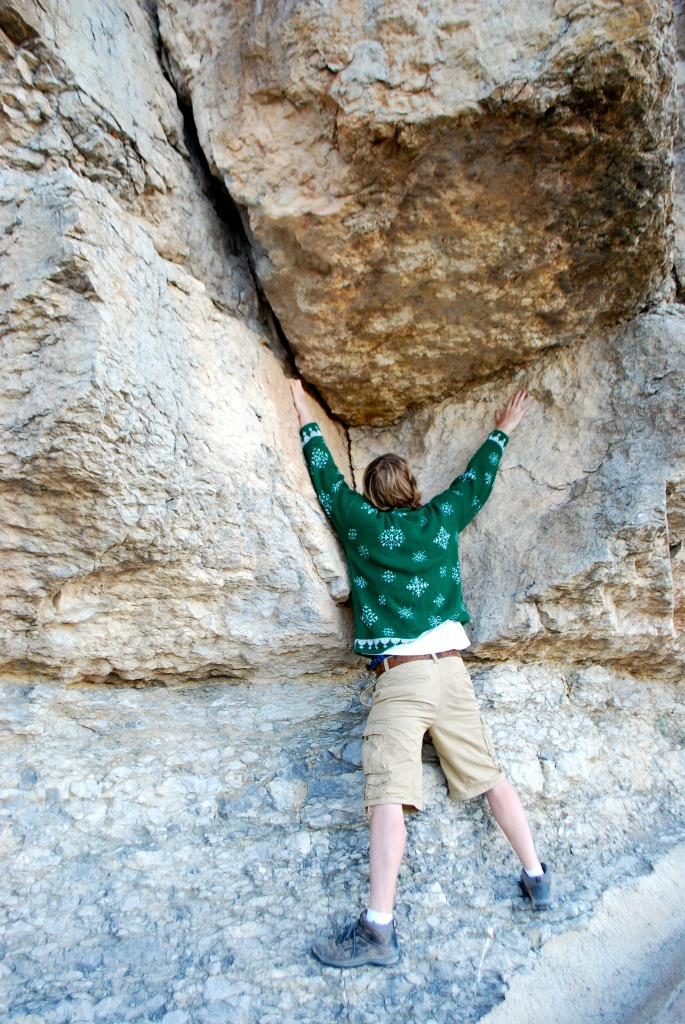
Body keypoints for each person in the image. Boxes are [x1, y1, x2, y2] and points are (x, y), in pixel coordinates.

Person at [289, 380, 553, 969]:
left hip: (403, 676)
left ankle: (378, 929)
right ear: (411, 487)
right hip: (453, 672)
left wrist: (304, 411)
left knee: (388, 794)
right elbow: (474, 482)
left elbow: (325, 479)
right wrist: (501, 427)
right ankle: (536, 876)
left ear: (373, 494)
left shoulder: (362, 524)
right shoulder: (439, 520)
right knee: (489, 777)